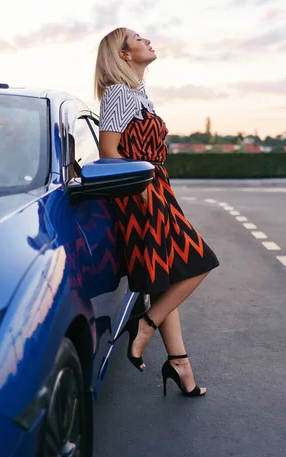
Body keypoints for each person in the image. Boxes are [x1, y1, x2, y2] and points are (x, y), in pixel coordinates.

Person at [94, 28, 219, 397]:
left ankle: (179, 363)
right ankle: (145, 324)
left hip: (155, 187)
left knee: (167, 277)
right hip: (141, 195)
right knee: (201, 261)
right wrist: (146, 189)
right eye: (138, 38)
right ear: (123, 53)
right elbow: (109, 153)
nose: (148, 40)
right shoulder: (118, 93)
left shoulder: (137, 93)